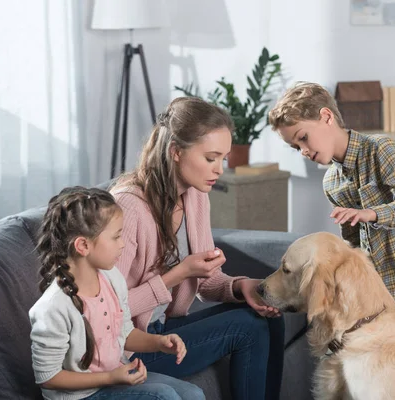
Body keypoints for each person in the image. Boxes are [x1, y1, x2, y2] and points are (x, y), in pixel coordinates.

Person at [110, 97, 285, 400]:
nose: (219, 169)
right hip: (128, 345)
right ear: (176, 152)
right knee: (247, 327)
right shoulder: (128, 207)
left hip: (166, 326)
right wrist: (179, 273)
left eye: (224, 159)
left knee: (271, 316)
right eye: (210, 158)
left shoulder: (195, 196)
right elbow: (107, 308)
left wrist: (241, 285)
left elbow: (208, 283)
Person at [268, 82, 395, 331]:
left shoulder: (382, 149)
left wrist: (370, 214)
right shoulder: (331, 183)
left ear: (326, 117)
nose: (304, 151)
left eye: (303, 138)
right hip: (381, 274)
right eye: (296, 147)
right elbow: (352, 239)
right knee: (387, 337)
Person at [29, 186, 205, 400]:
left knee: (193, 394)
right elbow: (48, 376)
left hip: (113, 379)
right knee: (164, 397)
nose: (122, 245)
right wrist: (110, 378)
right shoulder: (53, 307)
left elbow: (125, 334)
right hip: (81, 395)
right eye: (116, 237)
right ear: (83, 245)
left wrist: (159, 342)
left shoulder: (112, 278)